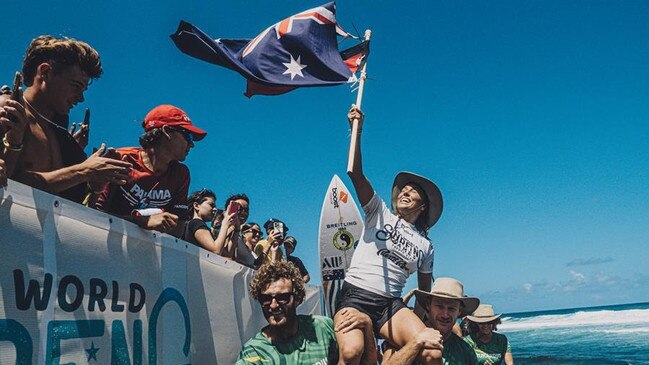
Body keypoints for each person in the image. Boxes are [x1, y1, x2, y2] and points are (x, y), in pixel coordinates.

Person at [335, 105, 444, 364]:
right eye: (402, 190)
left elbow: (423, 292)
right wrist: (356, 131)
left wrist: (418, 321)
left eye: (412, 192)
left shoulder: (426, 246)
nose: (404, 192)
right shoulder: (379, 212)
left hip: (390, 306)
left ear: (423, 205)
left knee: (432, 352)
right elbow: (355, 173)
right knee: (351, 353)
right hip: (356, 295)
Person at [0, 35, 132, 203]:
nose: (81, 98)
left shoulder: (61, 136)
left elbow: (71, 207)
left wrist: (94, 186)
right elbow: (10, 184)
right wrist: (83, 171)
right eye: (76, 86)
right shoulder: (8, 109)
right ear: (45, 72)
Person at [93, 104, 206, 235]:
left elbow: (178, 230)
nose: (191, 144)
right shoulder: (123, 158)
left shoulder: (181, 174)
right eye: (188, 136)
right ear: (167, 131)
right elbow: (94, 214)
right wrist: (142, 222)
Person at [236, 261, 376, 365]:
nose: (273, 305)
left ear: (297, 299)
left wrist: (368, 327)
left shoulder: (322, 328)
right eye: (266, 299)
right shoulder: (255, 352)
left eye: (282, 298)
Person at [382, 277, 480, 365]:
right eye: (440, 306)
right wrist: (416, 342)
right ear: (428, 305)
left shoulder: (465, 351)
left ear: (459, 311)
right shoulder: (404, 337)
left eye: (451, 309)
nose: (445, 315)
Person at [214, 193, 250, 260]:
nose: (243, 213)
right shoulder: (221, 228)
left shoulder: (237, 232)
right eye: (239, 208)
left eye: (246, 210)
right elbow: (223, 254)